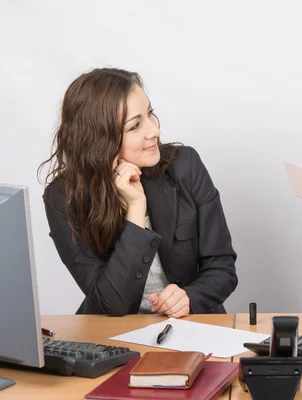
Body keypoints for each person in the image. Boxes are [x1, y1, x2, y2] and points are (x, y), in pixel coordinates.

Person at [40, 68, 237, 317]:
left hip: (191, 324)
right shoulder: (63, 198)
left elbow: (222, 268)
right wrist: (135, 209)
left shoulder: (185, 165)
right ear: (99, 141)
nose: (154, 130)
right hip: (111, 335)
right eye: (135, 126)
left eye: (150, 114)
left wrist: (189, 297)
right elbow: (111, 303)